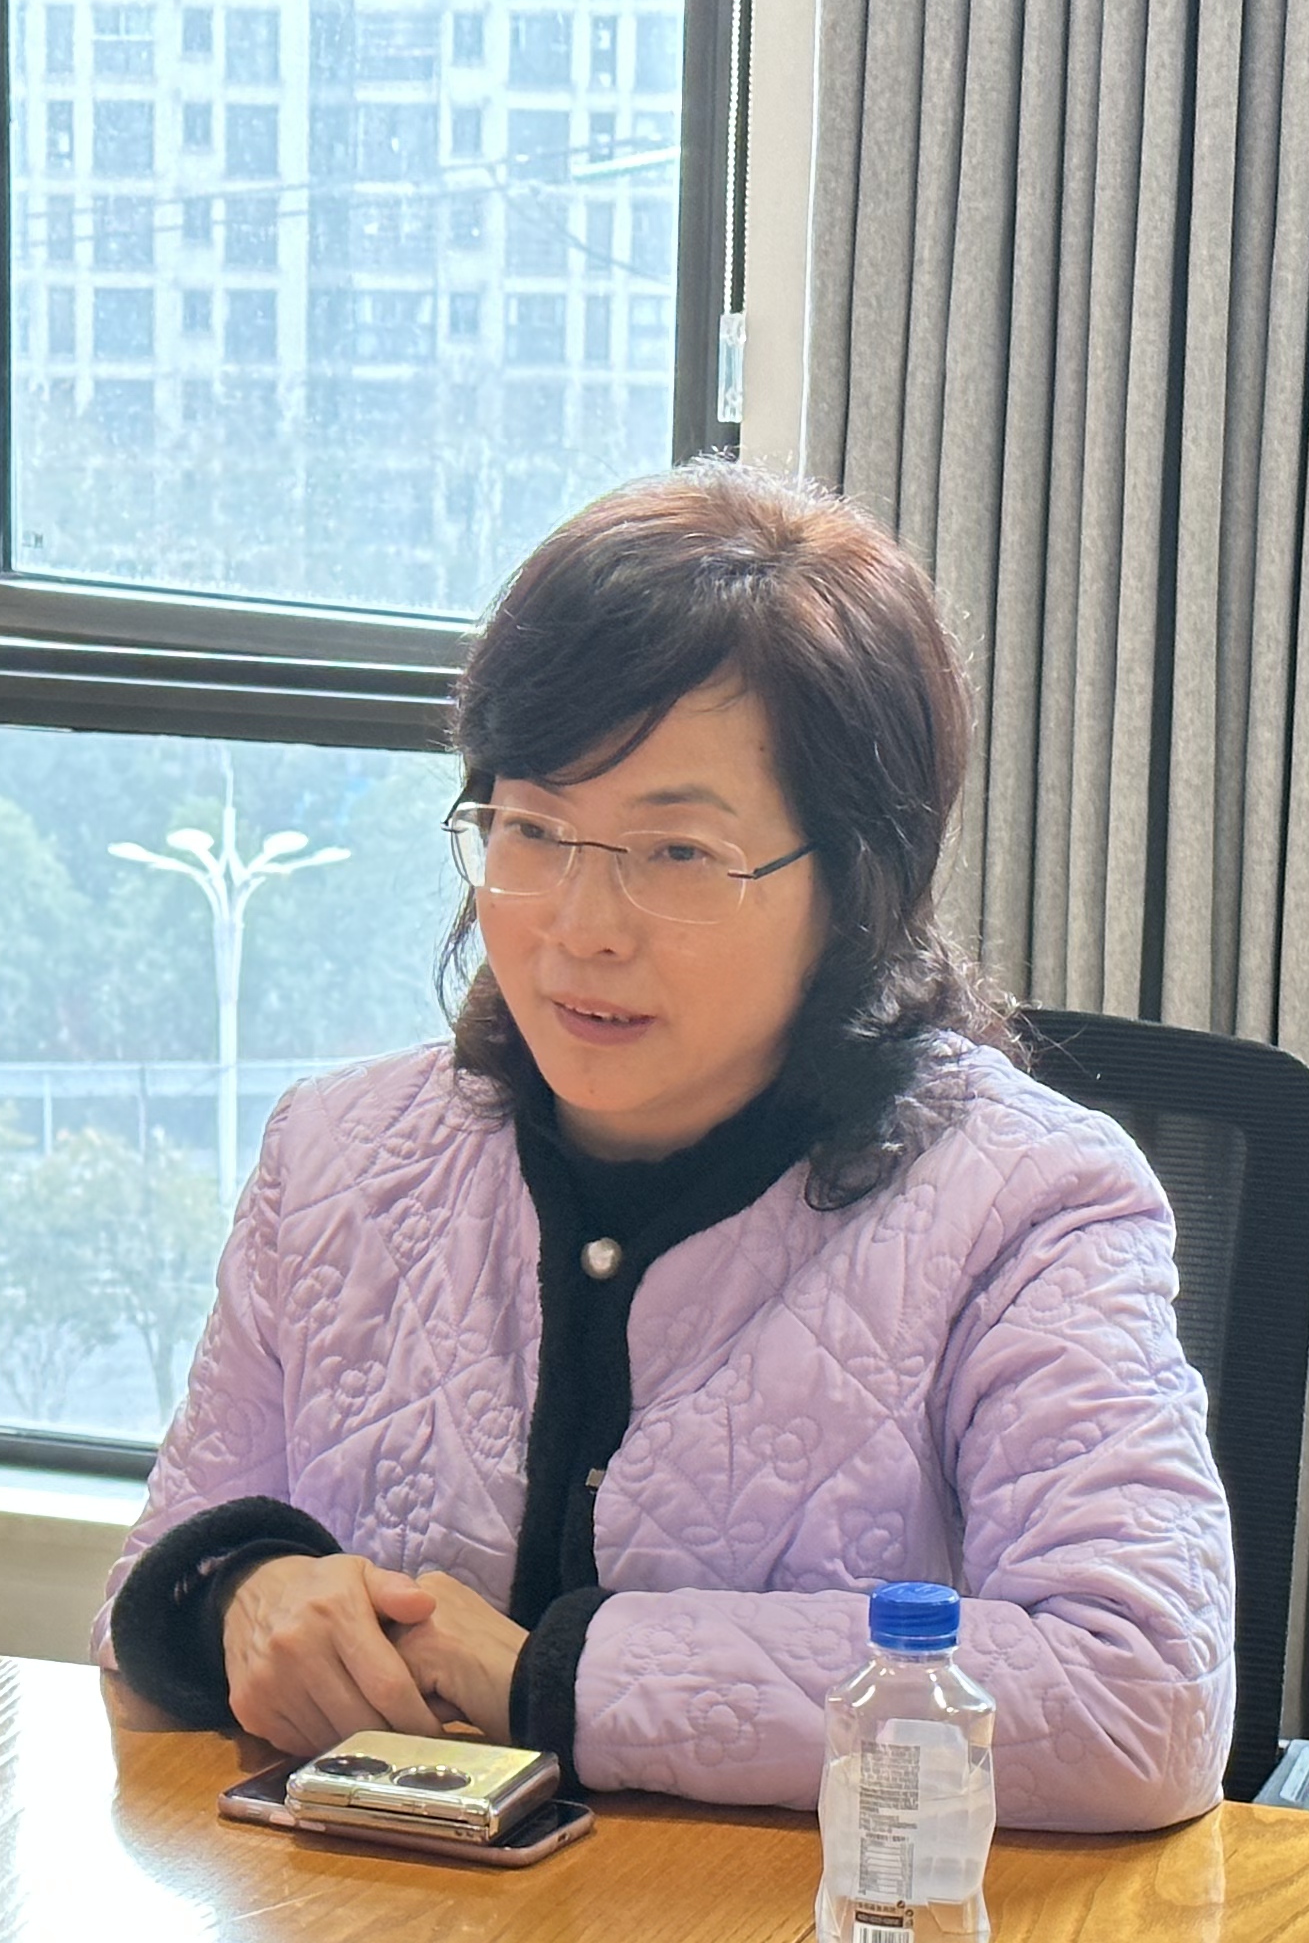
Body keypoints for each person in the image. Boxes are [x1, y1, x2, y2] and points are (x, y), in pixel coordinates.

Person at [94, 463, 1234, 1831]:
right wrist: (242, 1596)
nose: (581, 927)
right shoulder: (335, 1155)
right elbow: (152, 1594)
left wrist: (560, 1682)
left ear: (854, 883)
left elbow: (1142, 1693)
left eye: (677, 854)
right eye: (532, 830)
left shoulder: (1030, 1207)